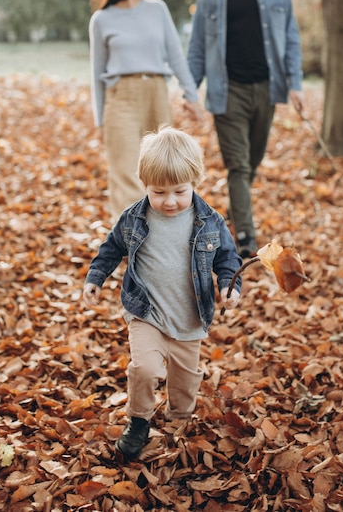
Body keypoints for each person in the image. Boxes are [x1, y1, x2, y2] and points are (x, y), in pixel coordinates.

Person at [83, 125, 242, 461]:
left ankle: (179, 421)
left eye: (179, 192)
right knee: (143, 368)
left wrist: (230, 287)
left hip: (189, 316)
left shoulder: (210, 222)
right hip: (146, 312)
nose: (169, 201)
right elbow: (111, 248)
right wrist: (95, 277)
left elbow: (228, 259)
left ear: (195, 182)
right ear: (145, 185)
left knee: (184, 385)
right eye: (159, 192)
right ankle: (138, 421)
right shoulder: (134, 218)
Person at [187, 0, 305, 258]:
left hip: (266, 90)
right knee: (238, 166)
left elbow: (292, 41)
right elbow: (197, 48)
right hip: (228, 92)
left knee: (252, 162)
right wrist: (190, 91)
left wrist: (295, 85)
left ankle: (236, 212)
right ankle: (247, 238)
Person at [89, 0, 201, 221]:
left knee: (164, 167)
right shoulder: (102, 19)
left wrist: (192, 95)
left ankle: (163, 235)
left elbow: (175, 56)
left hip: (156, 93)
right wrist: (100, 120)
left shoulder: (158, 9)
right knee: (125, 171)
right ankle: (131, 244)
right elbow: (97, 73)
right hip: (121, 97)